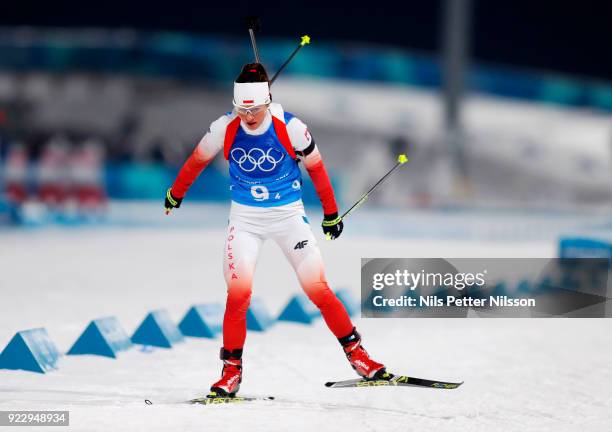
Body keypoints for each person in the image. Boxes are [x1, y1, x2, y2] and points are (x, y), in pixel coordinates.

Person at [165, 63, 387, 397]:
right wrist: (176, 193)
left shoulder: (292, 127)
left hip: (288, 217)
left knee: (318, 290)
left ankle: (359, 357)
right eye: (242, 109)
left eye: (253, 109)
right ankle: (231, 373)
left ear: (267, 101)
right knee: (238, 295)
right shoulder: (224, 127)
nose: (248, 116)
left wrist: (330, 214)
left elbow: (318, 169)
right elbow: (197, 160)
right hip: (245, 221)